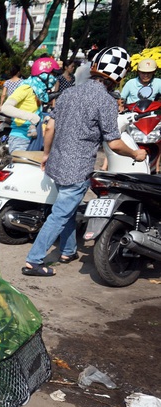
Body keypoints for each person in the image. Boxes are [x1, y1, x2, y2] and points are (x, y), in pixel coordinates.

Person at [22, 47, 147, 277]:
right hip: (77, 167)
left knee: (67, 211)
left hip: (57, 163)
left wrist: (47, 154)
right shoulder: (106, 101)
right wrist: (136, 154)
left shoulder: (69, 93)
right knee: (60, 214)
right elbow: (115, 143)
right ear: (118, 77)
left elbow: (49, 127)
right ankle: (34, 260)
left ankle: (68, 251)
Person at [0, 56, 59, 153]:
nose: (54, 78)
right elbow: (5, 108)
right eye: (52, 74)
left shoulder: (37, 91)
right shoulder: (26, 87)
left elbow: (31, 110)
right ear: (43, 74)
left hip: (33, 137)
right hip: (21, 139)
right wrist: (32, 117)